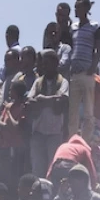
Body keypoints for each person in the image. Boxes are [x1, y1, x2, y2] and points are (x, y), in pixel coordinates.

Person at [27, 49, 69, 177]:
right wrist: (50, 101)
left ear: (56, 64)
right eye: (43, 64)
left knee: (53, 168)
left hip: (55, 132)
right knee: (37, 169)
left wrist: (42, 100)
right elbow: (30, 101)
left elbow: (62, 99)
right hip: (38, 132)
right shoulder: (38, 82)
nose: (44, 67)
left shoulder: (63, 82)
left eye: (47, 63)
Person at [67, 0, 100, 142]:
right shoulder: (73, 28)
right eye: (75, 7)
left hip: (87, 73)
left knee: (88, 112)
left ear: (87, 9)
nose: (76, 9)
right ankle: (72, 140)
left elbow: (99, 49)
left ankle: (85, 141)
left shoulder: (94, 27)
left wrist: (92, 67)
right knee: (73, 112)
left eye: (79, 7)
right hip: (74, 74)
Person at [0, 81, 30, 193]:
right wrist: (6, 126)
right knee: (2, 172)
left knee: (14, 173)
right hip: (3, 145)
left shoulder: (22, 107)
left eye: (11, 90)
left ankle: (13, 198)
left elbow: (16, 126)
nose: (9, 92)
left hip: (15, 146)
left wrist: (9, 113)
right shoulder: (8, 105)